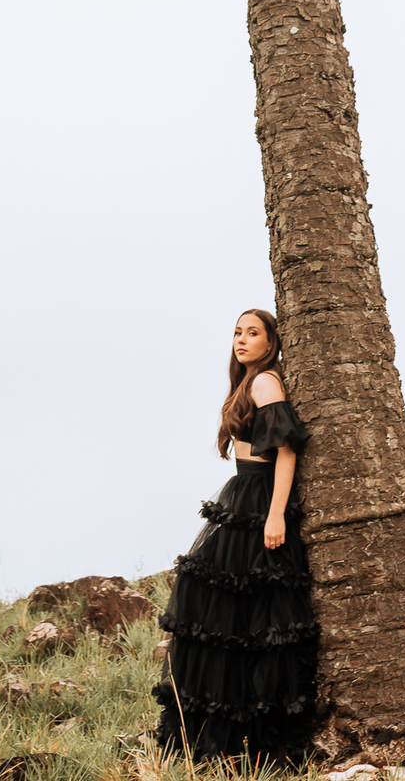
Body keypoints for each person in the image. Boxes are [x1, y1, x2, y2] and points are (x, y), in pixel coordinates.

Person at [153, 308, 318, 765]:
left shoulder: (266, 381)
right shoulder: (246, 383)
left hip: (259, 500)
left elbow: (286, 454)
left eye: (253, 333)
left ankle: (251, 743)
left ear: (271, 342)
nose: (242, 340)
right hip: (241, 496)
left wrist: (275, 516)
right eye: (237, 333)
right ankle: (220, 743)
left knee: (249, 621)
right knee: (225, 619)